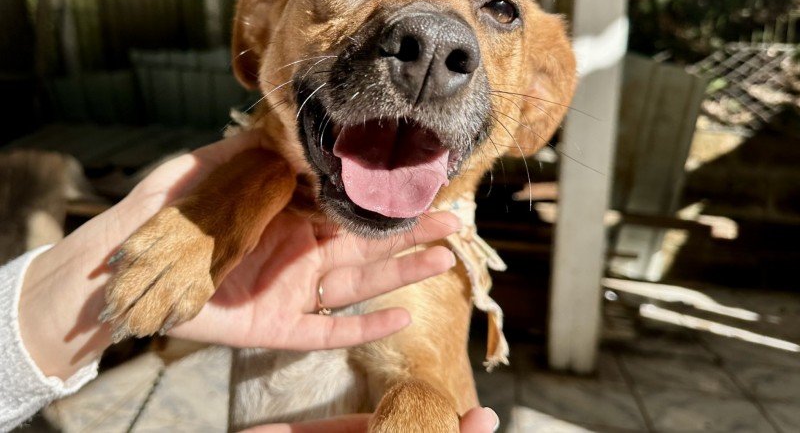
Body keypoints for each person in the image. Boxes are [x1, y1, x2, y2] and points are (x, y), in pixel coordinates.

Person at [0, 132, 499, 432]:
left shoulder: (443, 235)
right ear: (261, 21)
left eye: (498, 11)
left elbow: (424, 377)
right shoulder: (262, 170)